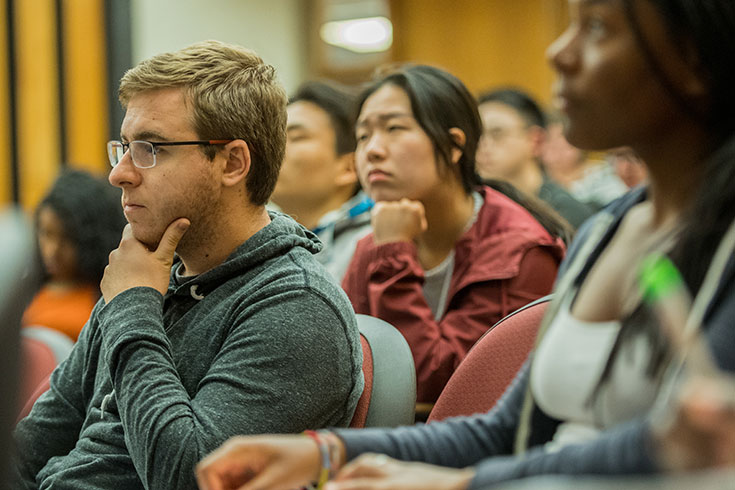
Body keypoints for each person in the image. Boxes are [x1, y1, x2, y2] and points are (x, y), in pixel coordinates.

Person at [195, 0, 735, 488]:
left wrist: (456, 485)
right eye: (363, 135)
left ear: (691, 59)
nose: (558, 52)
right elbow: (504, 429)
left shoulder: (526, 247)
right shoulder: (605, 233)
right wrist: (326, 451)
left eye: (595, 27)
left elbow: (676, 446)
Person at [12, 40, 363, 490]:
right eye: (123, 147)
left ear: (233, 162)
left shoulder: (298, 306)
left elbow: (187, 477)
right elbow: (33, 445)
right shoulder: (146, 272)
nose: (120, 173)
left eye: (151, 148)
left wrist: (135, 307)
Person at [340, 65, 565, 405]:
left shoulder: (520, 252)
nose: (372, 150)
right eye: (362, 136)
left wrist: (394, 258)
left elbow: (443, 389)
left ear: (454, 145)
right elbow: (343, 367)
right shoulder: (374, 244)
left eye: (394, 128)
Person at [270, 80, 372, 282]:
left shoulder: (375, 246)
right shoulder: (266, 241)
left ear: (349, 167)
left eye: (297, 137)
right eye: (275, 137)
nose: (272, 149)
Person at [22, 169, 126, 341]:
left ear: (92, 238)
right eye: (46, 233)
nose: (52, 251)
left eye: (67, 238)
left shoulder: (107, 300)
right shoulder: (25, 290)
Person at [475, 88, 594, 229]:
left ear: (535, 141)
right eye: (477, 135)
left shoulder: (566, 214)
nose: (483, 146)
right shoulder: (475, 207)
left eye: (497, 134)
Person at [541, 114, 628, 211]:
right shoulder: (541, 184)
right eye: (551, 143)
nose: (557, 150)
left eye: (563, 143)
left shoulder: (603, 174)